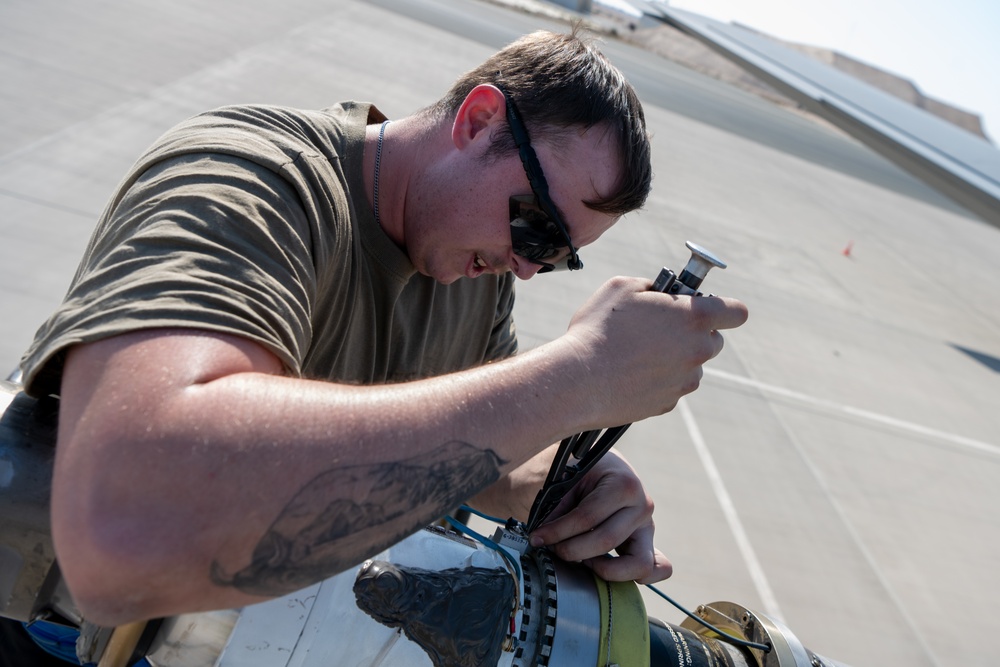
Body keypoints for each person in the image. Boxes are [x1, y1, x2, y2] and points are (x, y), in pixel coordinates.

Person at [18, 28, 748, 629]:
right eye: (535, 225)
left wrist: (566, 481)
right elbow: (121, 533)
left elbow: (479, 447)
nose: (525, 267)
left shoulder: (475, 276)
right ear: (477, 121)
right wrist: (577, 377)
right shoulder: (256, 178)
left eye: (556, 255)